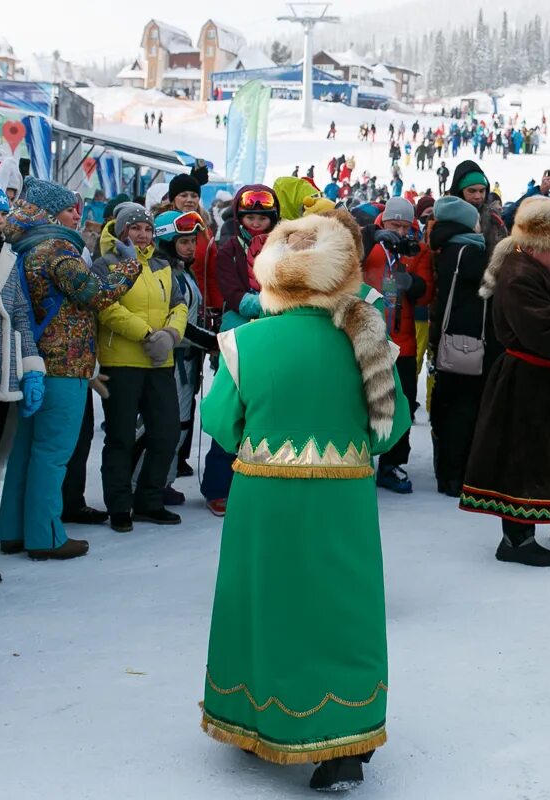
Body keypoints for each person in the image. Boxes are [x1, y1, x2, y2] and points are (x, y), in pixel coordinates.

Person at [199, 209, 409, 791]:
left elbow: (219, 421)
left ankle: (254, 717)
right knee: (342, 606)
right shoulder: (368, 340)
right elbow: (390, 431)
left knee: (262, 601)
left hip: (264, 500)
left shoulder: (245, 341)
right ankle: (344, 737)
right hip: (343, 500)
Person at [0, 179, 140, 560]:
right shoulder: (58, 248)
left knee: (27, 450)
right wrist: (129, 266)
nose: (78, 214)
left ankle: (13, 530)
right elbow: (95, 294)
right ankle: (45, 536)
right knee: (52, 453)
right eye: (68, 209)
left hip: (34, 361)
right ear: (48, 213)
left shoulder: (23, 246)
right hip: (65, 363)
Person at [459, 197, 550, 566]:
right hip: (527, 384)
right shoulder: (520, 274)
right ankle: (517, 539)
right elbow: (544, 331)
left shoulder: (536, 268)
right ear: (538, 243)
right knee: (526, 459)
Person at [93, 204, 187, 532]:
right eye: (135, 229)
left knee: (166, 433)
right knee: (120, 436)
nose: (143, 234)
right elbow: (106, 308)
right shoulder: (106, 265)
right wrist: (146, 334)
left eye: (147, 229)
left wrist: (170, 334)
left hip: (160, 361)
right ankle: (119, 505)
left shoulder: (163, 265)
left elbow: (179, 304)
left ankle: (149, 499)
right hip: (122, 362)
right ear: (122, 232)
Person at [201, 185, 279, 517]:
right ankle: (218, 485)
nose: (256, 223)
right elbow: (230, 291)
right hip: (238, 332)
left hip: (276, 333)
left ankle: (262, 478)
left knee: (266, 408)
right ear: (239, 217)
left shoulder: (284, 248)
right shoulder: (228, 249)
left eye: (262, 217)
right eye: (250, 216)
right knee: (231, 408)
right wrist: (261, 304)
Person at [361, 198, 434, 493]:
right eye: (394, 225)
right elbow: (347, 263)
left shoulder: (418, 251)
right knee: (363, 400)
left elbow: (427, 292)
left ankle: (393, 463)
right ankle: (359, 455)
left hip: (401, 341)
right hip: (366, 336)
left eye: (406, 226)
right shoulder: (369, 244)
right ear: (383, 223)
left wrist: (410, 282)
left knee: (400, 403)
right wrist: (370, 239)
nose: (401, 232)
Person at [0, 177, 42, 527]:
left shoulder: (8, 256)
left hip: (1, 376)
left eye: (2, 214)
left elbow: (21, 312)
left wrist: (31, 367)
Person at [428, 195, 495, 496]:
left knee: (448, 406)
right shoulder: (470, 253)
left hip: (448, 339)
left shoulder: (448, 248)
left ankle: (447, 473)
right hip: (468, 344)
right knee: (464, 410)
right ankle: (458, 477)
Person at [152, 210, 217, 505]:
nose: (192, 247)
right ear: (167, 240)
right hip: (170, 358)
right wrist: (210, 340)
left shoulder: (183, 270)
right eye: (184, 241)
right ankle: (148, 482)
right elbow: (176, 321)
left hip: (188, 358)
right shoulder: (166, 271)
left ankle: (160, 480)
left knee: (180, 422)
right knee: (165, 423)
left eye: (193, 241)